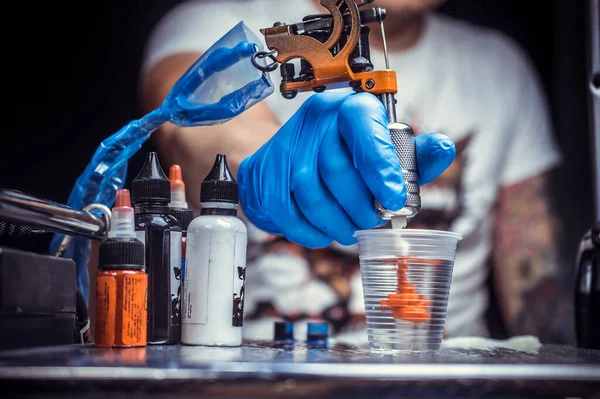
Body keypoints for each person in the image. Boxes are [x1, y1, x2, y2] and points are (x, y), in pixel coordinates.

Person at [140, 0, 574, 343]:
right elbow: (187, 126)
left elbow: (537, 284)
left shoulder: (499, 69)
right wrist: (268, 160)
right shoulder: (214, 27)